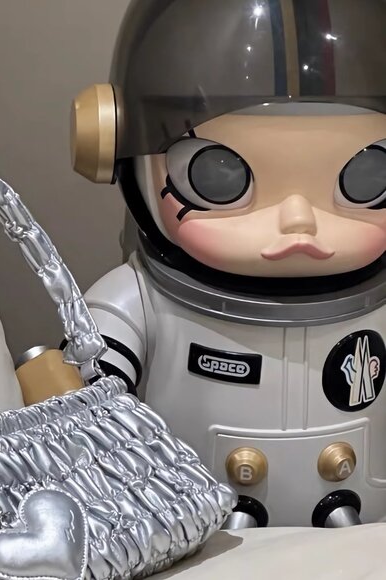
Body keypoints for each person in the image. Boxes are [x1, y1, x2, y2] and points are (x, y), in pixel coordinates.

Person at [71, 0, 386, 528]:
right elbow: (82, 397)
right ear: (112, 145)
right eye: (216, 175)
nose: (298, 220)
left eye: (368, 176)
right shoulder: (139, 302)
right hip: (194, 533)